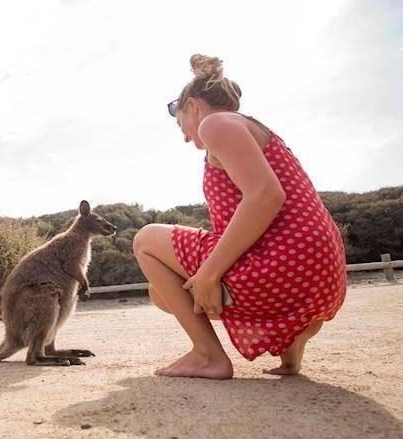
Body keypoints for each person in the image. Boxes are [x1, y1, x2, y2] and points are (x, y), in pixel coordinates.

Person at [132, 54, 347, 379]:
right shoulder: (254, 128)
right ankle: (292, 341)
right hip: (320, 277)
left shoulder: (216, 124)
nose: (186, 137)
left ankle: (208, 355)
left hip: (284, 268)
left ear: (192, 106)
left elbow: (266, 195)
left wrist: (209, 274)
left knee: (145, 240)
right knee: (160, 293)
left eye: (181, 125)